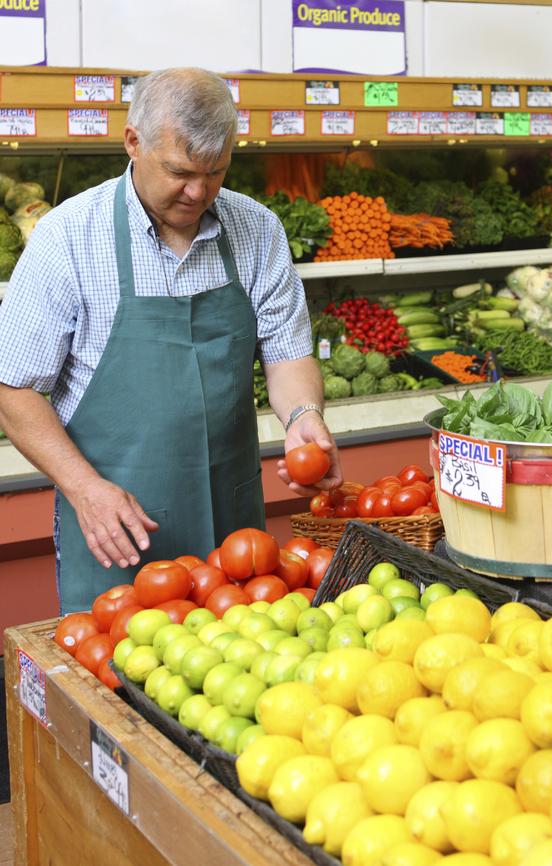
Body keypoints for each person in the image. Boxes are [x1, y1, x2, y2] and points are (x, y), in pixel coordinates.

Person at [0, 67, 342, 614]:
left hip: (235, 539)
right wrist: (84, 489)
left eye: (217, 172)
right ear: (133, 142)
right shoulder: (68, 238)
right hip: (113, 530)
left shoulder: (256, 229)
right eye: (180, 172)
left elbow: (287, 352)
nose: (198, 191)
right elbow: (13, 390)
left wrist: (304, 415)